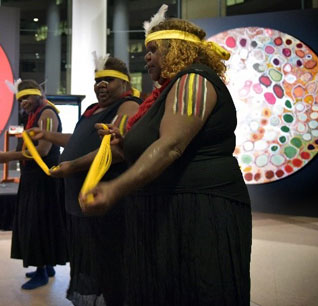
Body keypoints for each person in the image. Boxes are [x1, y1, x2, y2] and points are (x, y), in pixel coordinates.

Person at [80, 5, 252, 305]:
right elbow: (156, 143)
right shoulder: (165, 92)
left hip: (198, 211)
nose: (146, 57)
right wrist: (123, 143)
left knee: (197, 290)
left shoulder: (194, 79)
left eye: (153, 49)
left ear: (177, 49)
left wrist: (115, 188)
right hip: (166, 211)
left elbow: (172, 144)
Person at [29, 55, 141, 305]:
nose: (100, 85)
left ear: (125, 83)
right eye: (98, 80)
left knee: (110, 269)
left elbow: (116, 149)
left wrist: (73, 166)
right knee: (90, 265)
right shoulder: (93, 110)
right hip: (81, 206)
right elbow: (77, 141)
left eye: (108, 80)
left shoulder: (128, 106)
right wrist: (47, 134)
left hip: (106, 207)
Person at [0, 79, 67, 290]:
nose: (23, 102)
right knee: (40, 220)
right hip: (34, 176)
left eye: (27, 97)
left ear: (38, 95)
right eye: (20, 99)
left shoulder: (47, 114)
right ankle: (47, 265)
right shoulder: (36, 113)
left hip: (43, 178)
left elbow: (43, 150)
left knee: (38, 222)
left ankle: (42, 271)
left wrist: (9, 156)